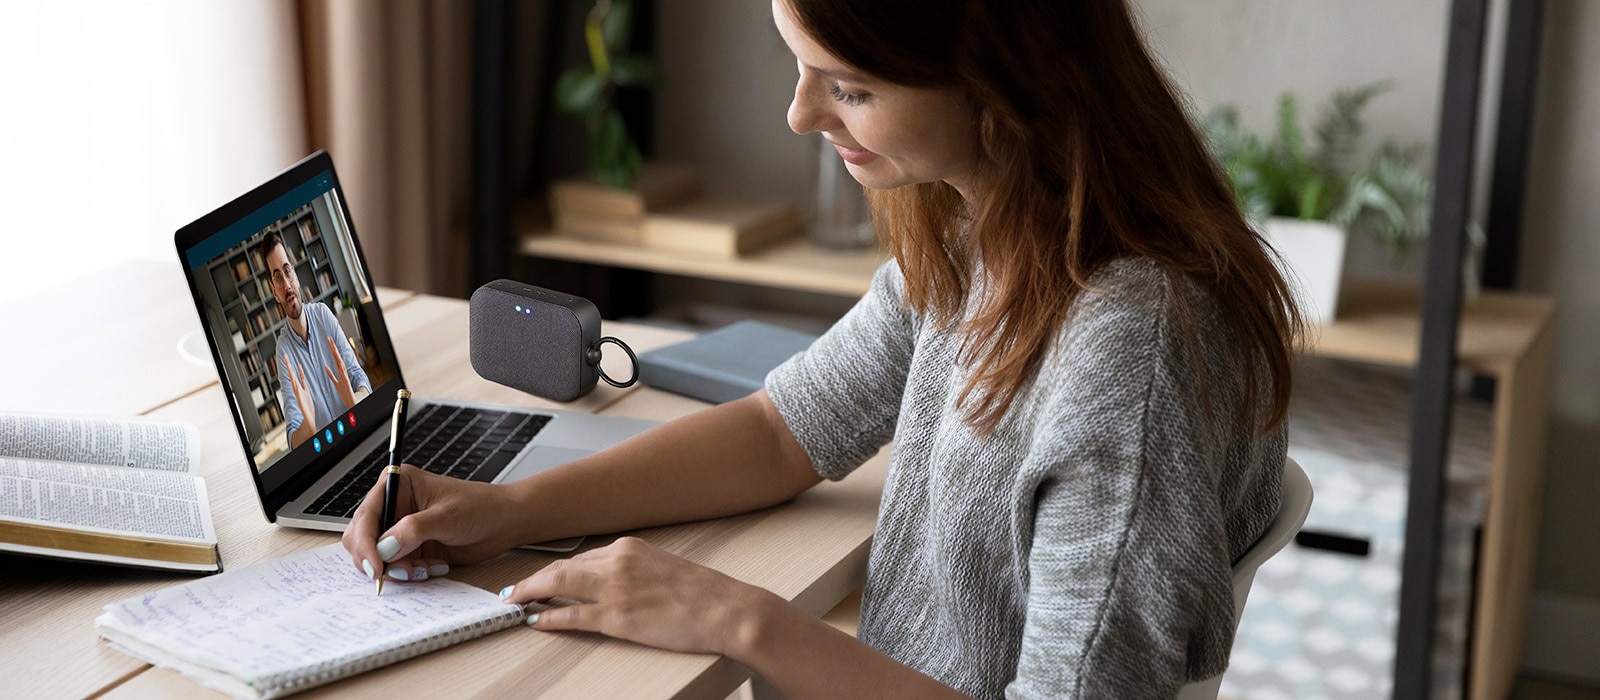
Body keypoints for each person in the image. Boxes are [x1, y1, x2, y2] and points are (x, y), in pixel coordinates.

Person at [343, 0, 1303, 696]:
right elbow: (783, 430)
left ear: (1004, 83)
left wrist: (737, 617)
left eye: (850, 87)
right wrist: (511, 509)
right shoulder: (986, 232)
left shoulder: (1127, 360)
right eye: (800, 65)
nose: (801, 115)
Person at [261, 228, 371, 449]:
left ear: (296, 275)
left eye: (287, 271)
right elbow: (293, 437)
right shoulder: (283, 351)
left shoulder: (323, 314)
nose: (287, 285)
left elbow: (359, 378)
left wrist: (353, 401)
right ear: (274, 291)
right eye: (278, 278)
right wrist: (308, 428)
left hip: (359, 432)